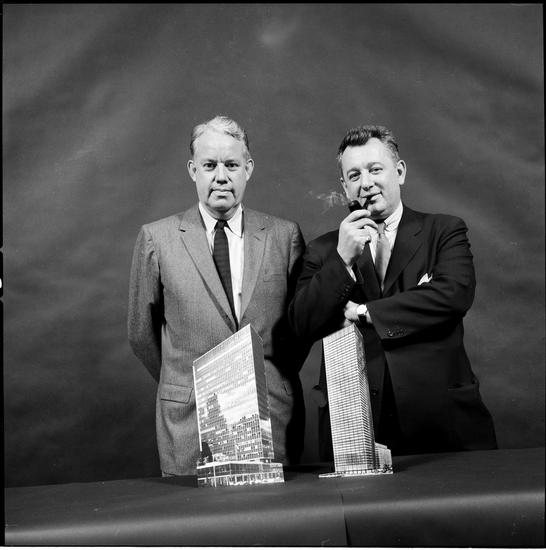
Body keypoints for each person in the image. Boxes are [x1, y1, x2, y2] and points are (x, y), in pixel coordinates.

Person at [289, 124, 497, 459]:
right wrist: (342, 260)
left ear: (399, 172)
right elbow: (301, 324)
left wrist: (362, 312)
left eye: (375, 169)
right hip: (355, 425)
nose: (366, 182)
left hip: (442, 422)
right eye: (354, 175)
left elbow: (453, 294)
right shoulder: (325, 250)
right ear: (344, 186)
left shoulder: (443, 230)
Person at [128, 115, 307, 475]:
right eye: (210, 165)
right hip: (189, 423)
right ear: (193, 170)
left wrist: (272, 376)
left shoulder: (284, 236)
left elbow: (300, 327)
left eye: (231, 165)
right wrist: (184, 381)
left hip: (272, 417)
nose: (221, 176)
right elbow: (140, 334)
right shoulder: (157, 239)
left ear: (248, 169)